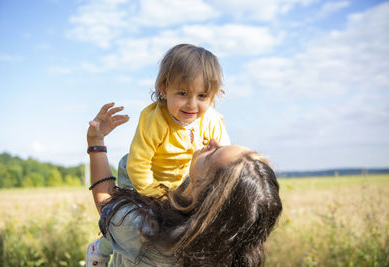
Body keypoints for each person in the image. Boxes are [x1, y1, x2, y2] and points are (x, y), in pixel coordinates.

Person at [85, 103, 282, 267]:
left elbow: (106, 202)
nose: (213, 140)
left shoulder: (146, 233)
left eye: (213, 154)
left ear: (203, 192)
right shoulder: (228, 251)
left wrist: (96, 143)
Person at [86, 43, 230, 265]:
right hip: (140, 179)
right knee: (125, 220)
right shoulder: (154, 119)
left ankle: (105, 244)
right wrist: (158, 197)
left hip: (179, 182)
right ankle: (102, 246)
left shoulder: (212, 120)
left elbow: (223, 159)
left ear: (213, 95)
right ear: (164, 89)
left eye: (202, 95)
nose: (192, 104)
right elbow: (138, 165)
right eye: (182, 93)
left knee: (124, 227)